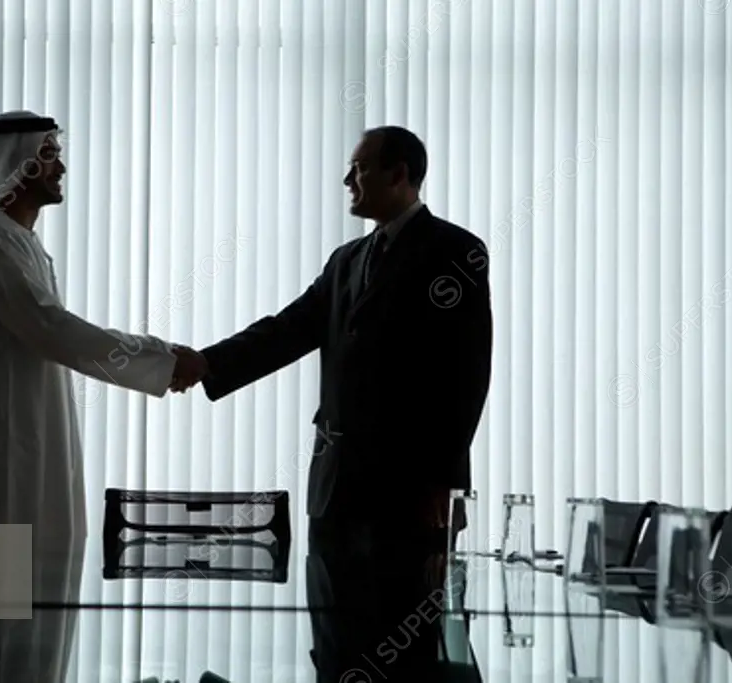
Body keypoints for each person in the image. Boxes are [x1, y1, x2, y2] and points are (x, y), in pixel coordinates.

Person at [0, 110, 203, 683]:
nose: (61, 167)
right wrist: (162, 358)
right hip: (2, 453)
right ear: (21, 162)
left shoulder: (13, 240)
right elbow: (49, 327)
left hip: (31, 442)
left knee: (34, 599)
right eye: (51, 154)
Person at [172, 126, 493, 679]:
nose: (348, 179)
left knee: (402, 650)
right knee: (335, 646)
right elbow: (289, 329)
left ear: (399, 174)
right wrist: (207, 362)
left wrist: (444, 485)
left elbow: (467, 377)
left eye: (360, 168)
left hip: (410, 494)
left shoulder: (455, 251)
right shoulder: (347, 259)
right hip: (335, 491)